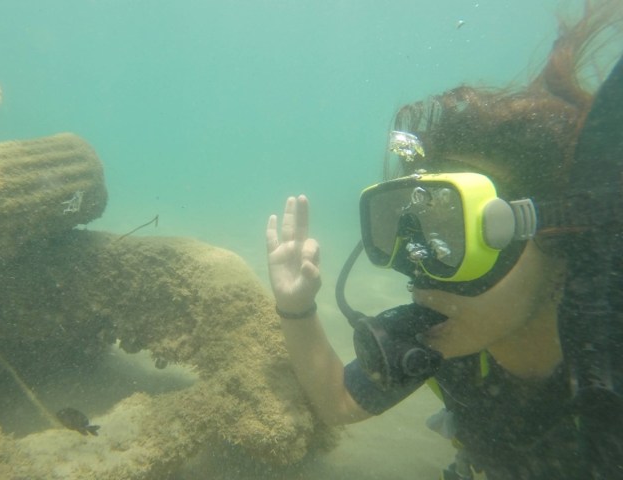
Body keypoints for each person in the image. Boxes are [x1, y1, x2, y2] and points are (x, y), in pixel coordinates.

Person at [266, 2, 623, 479]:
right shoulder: (447, 341)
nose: (420, 268)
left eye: (453, 234)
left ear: (553, 240)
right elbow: (340, 402)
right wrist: (296, 307)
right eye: (401, 228)